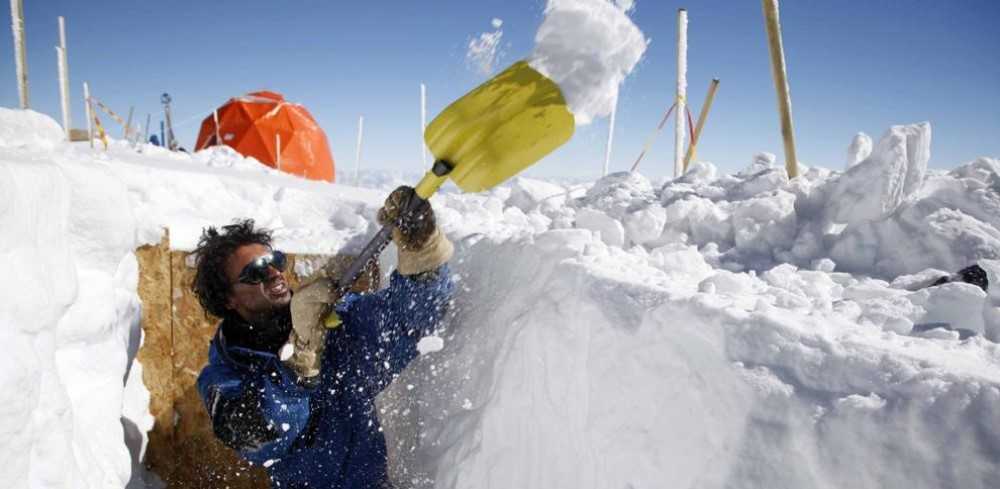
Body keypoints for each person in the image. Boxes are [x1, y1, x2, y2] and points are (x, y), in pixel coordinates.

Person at [193, 186, 454, 488]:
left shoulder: (333, 323)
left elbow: (413, 319)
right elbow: (257, 435)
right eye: (256, 272)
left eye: (275, 261)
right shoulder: (226, 376)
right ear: (228, 299)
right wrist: (300, 359)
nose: (275, 274)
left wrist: (421, 248)